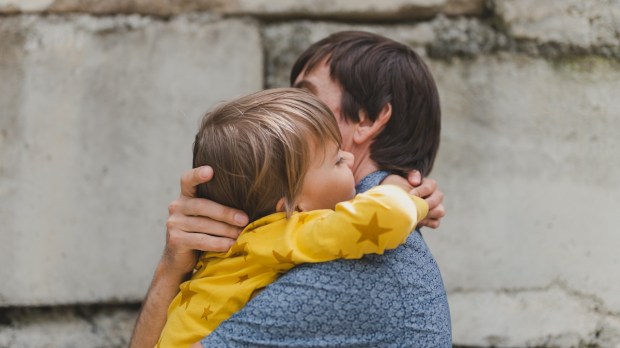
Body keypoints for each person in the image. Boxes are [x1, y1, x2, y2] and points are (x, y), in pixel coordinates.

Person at [131, 31, 450, 347]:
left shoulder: (348, 268)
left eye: (307, 95)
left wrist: (395, 191)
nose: (292, 112)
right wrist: (173, 265)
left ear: (369, 120)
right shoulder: (305, 239)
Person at [157, 88, 429, 347]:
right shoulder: (287, 232)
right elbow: (388, 216)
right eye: (336, 161)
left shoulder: (238, 242)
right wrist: (404, 190)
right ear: (293, 207)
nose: (348, 156)